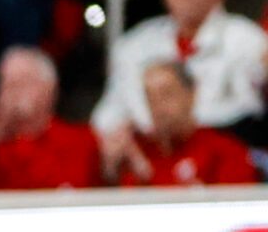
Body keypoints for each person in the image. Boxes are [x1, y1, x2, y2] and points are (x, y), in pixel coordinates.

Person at [89, 0, 264, 146]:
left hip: (219, 149)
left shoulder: (248, 39)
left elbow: (250, 110)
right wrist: (119, 136)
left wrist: (180, 124)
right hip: (149, 154)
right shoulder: (135, 43)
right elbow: (108, 113)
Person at [0, 48, 101, 193]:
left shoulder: (80, 140)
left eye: (24, 81)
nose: (15, 91)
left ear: (49, 88)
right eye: (7, 83)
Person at [110, 61, 257, 188]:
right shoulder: (137, 152)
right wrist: (110, 169)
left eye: (166, 94)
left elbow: (235, 210)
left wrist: (149, 177)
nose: (158, 107)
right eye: (150, 97)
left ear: (192, 94)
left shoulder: (225, 151)